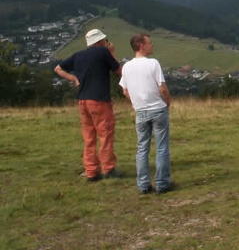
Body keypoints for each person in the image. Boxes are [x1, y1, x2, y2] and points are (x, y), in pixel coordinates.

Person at [54, 28, 123, 182]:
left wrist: (74, 79)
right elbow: (120, 71)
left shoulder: (78, 55)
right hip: (99, 100)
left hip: (83, 101)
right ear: (100, 41)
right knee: (105, 134)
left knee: (89, 136)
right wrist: (111, 52)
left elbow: (58, 69)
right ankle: (108, 169)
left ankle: (91, 171)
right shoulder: (103, 53)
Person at [119, 33, 173, 195]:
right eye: (149, 43)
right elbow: (162, 87)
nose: (152, 46)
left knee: (142, 148)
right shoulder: (153, 63)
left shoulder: (127, 66)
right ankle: (162, 183)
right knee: (162, 147)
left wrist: (136, 103)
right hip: (157, 108)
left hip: (140, 111)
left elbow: (124, 91)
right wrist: (167, 102)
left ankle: (143, 184)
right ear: (142, 45)